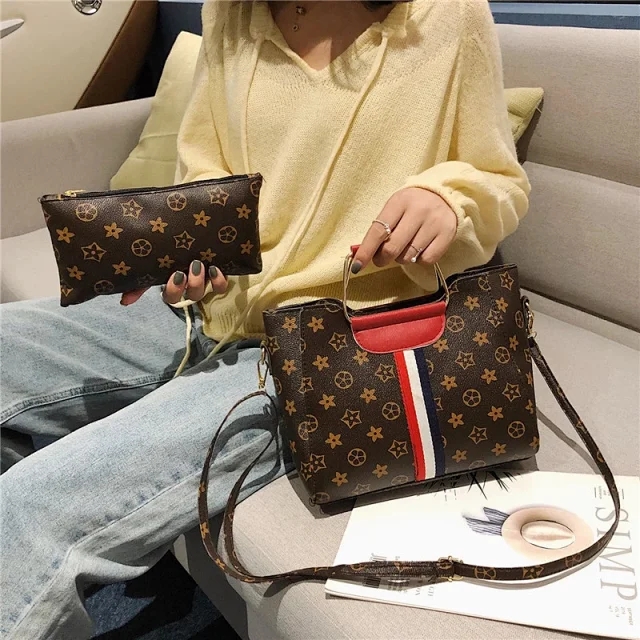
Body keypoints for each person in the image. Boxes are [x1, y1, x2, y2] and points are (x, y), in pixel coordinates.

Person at [0, 0, 530, 637]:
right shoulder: (230, 13)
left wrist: (447, 199)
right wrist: (193, 248)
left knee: (29, 509)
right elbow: (207, 166)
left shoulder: (447, 17)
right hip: (208, 312)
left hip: (328, 349)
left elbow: (499, 179)